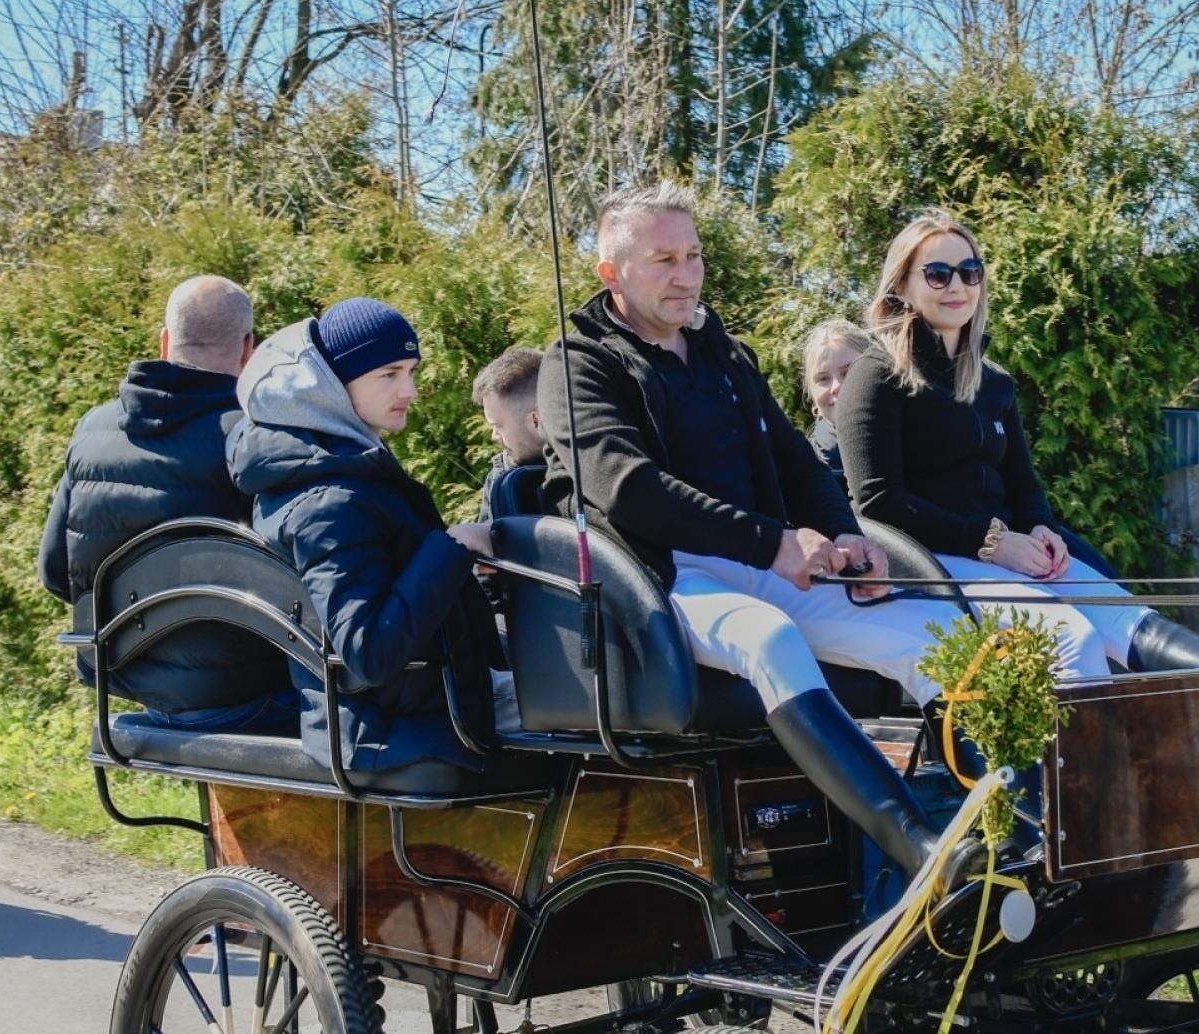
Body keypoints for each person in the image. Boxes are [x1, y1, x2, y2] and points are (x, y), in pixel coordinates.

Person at [537, 183, 988, 885]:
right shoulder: (577, 363)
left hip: (762, 562)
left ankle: (1003, 825)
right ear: (611, 274)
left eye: (693, 255)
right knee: (767, 636)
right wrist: (772, 543)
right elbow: (625, 486)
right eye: (663, 260)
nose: (686, 274)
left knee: (935, 634)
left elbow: (795, 459)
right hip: (660, 582)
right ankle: (919, 850)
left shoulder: (725, 356)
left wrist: (844, 534)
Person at [835, 209, 1199, 673]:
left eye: (970, 272)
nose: (957, 286)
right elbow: (879, 504)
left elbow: (1024, 485)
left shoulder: (993, 382)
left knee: (1130, 620)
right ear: (902, 284)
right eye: (938, 273)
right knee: (1071, 638)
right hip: (931, 564)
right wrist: (992, 543)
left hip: (1008, 552)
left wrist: (1039, 529)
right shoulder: (876, 374)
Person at [227, 298, 497, 775]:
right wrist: (453, 548)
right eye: (388, 374)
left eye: (411, 371)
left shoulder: (337, 476)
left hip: (417, 707)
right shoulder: (330, 500)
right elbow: (369, 652)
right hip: (394, 729)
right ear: (330, 385)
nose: (409, 390)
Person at [37, 275, 293, 730]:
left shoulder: (93, 429)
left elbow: (56, 574)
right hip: (253, 692)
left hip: (130, 682)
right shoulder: (256, 436)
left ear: (165, 340)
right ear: (248, 348)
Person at [471, 346, 546, 520]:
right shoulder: (500, 478)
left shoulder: (592, 463)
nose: (494, 435)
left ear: (536, 420)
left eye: (498, 425)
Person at [800, 319, 873, 490]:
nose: (836, 387)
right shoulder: (803, 474)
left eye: (848, 372)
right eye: (823, 379)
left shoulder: (920, 444)